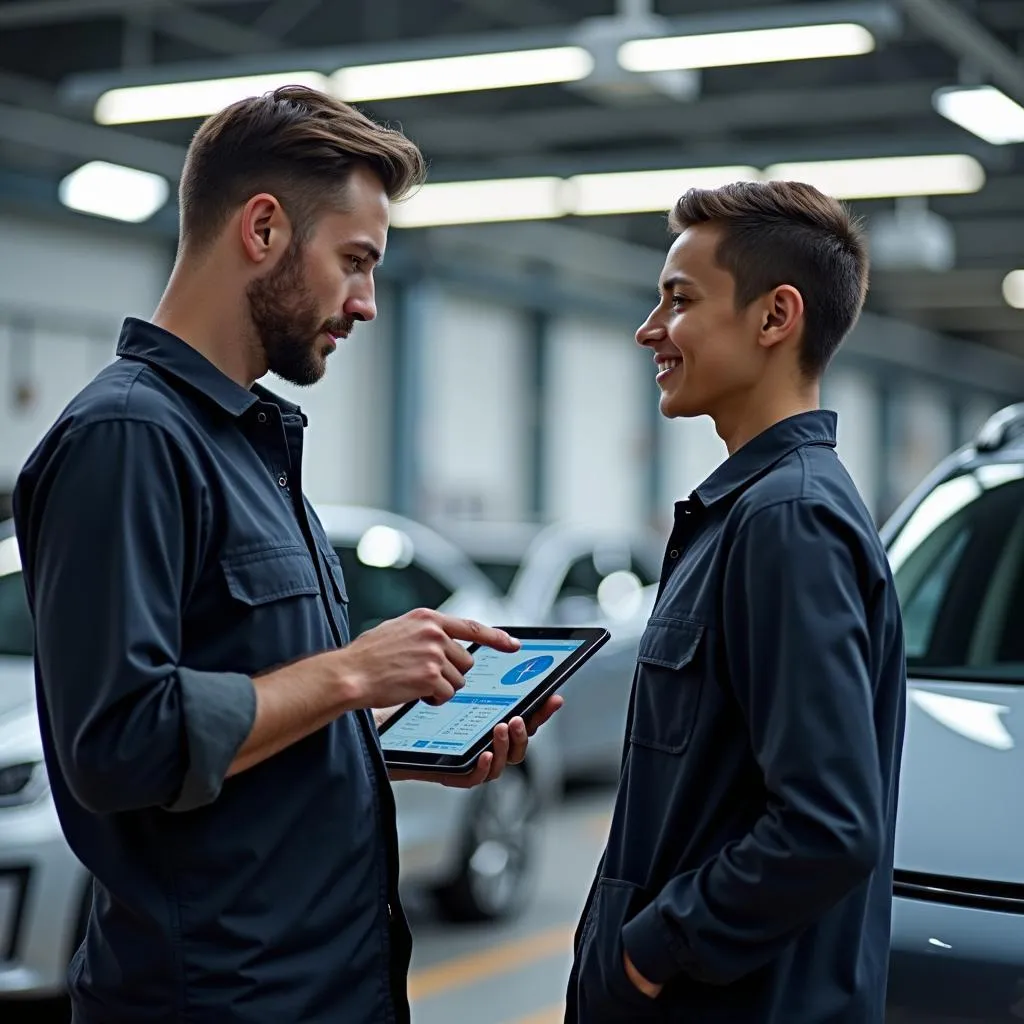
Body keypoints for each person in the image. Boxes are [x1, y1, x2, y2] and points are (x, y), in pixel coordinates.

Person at [13, 85, 560, 1024]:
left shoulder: (246, 447)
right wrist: (352, 673)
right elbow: (120, 743)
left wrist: (381, 752)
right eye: (355, 261)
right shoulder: (128, 438)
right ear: (263, 228)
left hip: (324, 987)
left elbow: (239, 731)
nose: (370, 303)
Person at [564, 180, 906, 1023]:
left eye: (679, 301)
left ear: (774, 317)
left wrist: (652, 951)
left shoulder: (787, 520)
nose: (651, 329)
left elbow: (827, 826)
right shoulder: (754, 510)